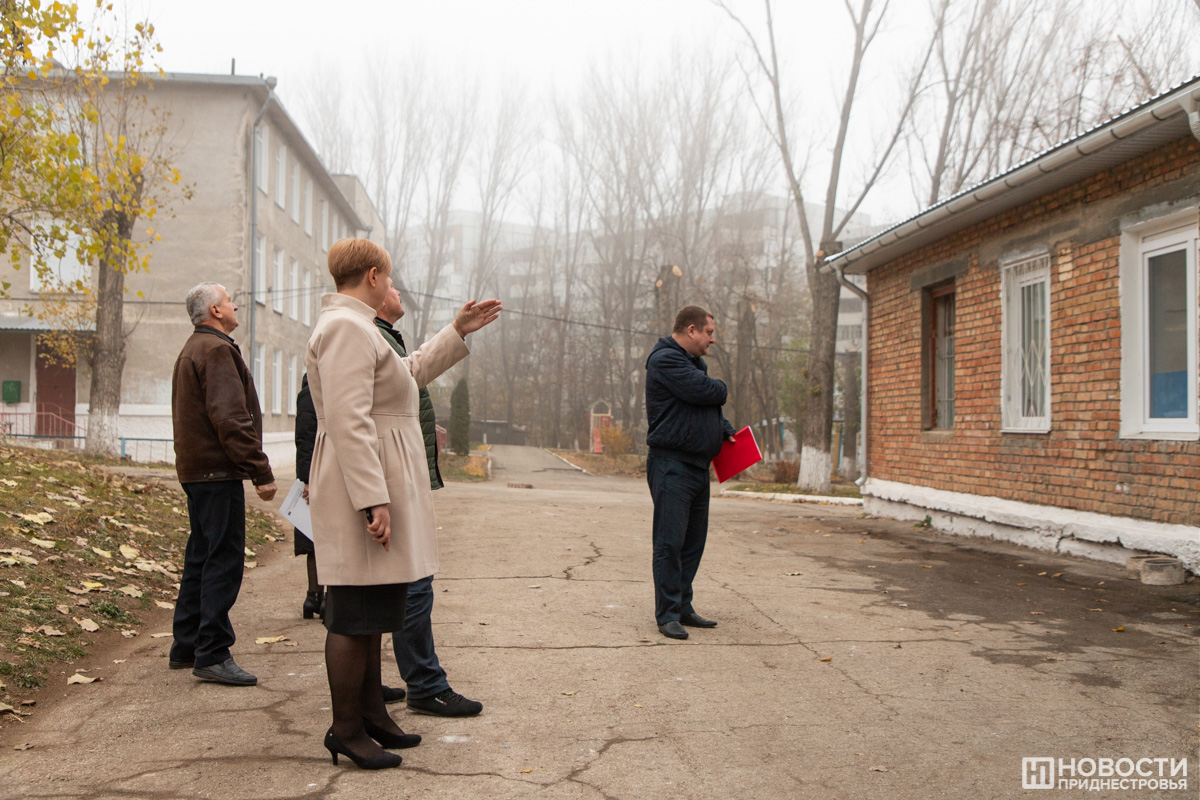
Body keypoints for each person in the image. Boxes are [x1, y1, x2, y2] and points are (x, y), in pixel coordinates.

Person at [306, 238, 499, 770]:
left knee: (373, 609)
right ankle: (346, 729)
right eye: (388, 278)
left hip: (376, 477)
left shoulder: (360, 327)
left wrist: (456, 331)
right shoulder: (345, 328)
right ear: (372, 276)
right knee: (353, 612)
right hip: (361, 484)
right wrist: (373, 498)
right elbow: (348, 419)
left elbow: (406, 375)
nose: (392, 286)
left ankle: (371, 714)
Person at [374, 285, 482, 717]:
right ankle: (424, 684)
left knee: (393, 585)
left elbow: (404, 384)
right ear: (372, 286)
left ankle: (372, 684)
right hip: (387, 481)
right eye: (391, 285)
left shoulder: (383, 334)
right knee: (413, 583)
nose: (398, 292)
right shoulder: (360, 332)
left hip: (395, 476)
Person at [169, 281, 277, 685]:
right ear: (215, 310)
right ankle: (213, 651)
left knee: (201, 556)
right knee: (223, 560)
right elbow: (230, 418)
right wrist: (260, 471)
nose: (235, 306)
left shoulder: (194, 347)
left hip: (198, 471)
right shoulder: (215, 350)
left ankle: (186, 645)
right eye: (229, 301)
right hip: (217, 472)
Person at [644, 305, 735, 641]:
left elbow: (701, 406)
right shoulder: (665, 359)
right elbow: (707, 392)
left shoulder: (694, 364)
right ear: (692, 329)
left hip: (697, 465)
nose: (712, 339)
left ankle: (683, 606)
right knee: (669, 543)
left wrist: (723, 429)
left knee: (693, 543)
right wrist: (719, 388)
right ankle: (667, 614)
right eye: (709, 332)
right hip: (672, 464)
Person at [293, 374, 323, 619]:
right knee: (317, 537)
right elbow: (304, 439)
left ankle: (316, 597)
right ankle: (316, 597)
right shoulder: (311, 392)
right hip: (316, 475)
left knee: (322, 537)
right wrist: (307, 480)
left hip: (322, 472)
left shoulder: (314, 389)